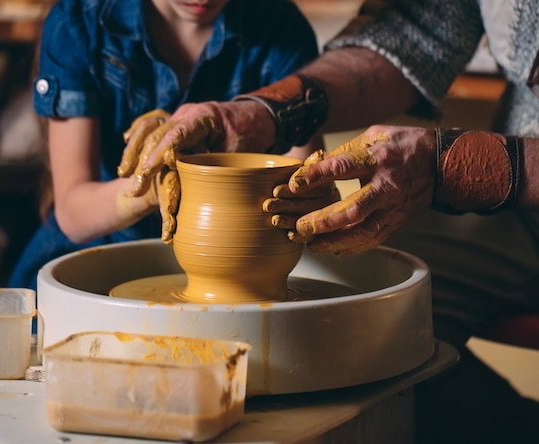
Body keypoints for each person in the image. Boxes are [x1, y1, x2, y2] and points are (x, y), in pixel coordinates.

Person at [120, 1, 539, 443]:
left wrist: (454, 167)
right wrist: (267, 113)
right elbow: (419, 30)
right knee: (357, 316)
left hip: (514, 180)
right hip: (517, 211)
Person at [8, 0, 322, 291]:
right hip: (95, 251)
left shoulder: (280, 25)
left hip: (238, 260)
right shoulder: (79, 21)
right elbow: (73, 213)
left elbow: (300, 188)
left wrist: (314, 197)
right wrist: (152, 186)